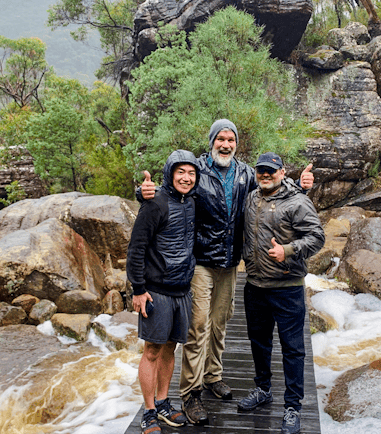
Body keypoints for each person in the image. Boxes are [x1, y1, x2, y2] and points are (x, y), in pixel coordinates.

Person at [140, 119, 314, 425]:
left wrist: (301, 187)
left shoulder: (246, 173)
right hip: (201, 262)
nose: (226, 144)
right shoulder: (196, 169)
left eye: (231, 139)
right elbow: (171, 185)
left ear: (236, 144)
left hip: (231, 263)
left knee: (220, 323)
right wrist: (143, 193)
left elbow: (272, 189)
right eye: (220, 138)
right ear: (211, 142)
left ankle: (213, 375)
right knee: (198, 327)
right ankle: (191, 392)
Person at [237, 152, 325, 434]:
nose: (265, 175)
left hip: (287, 288)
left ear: (282, 172)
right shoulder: (251, 198)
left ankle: (292, 407)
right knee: (259, 343)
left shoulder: (298, 201)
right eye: (261, 170)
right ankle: (263, 389)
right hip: (255, 286)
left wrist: (286, 251)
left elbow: (317, 237)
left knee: (293, 349)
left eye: (271, 171)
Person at [127, 150, 199, 434]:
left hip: (182, 288)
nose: (186, 177)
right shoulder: (155, 203)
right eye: (180, 172)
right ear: (170, 173)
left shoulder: (193, 201)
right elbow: (136, 248)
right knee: (153, 350)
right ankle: (148, 412)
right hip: (156, 290)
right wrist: (138, 289)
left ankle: (163, 403)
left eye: (191, 173)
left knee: (171, 348)